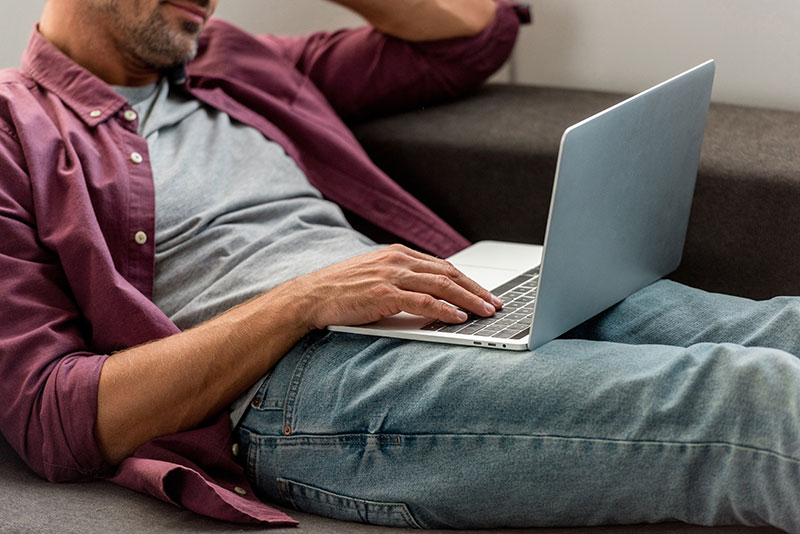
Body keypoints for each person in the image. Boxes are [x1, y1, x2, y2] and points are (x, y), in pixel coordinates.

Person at [1, 0, 799, 531]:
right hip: (299, 387)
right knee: (748, 397)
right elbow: (49, 416)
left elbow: (470, 37)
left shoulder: (231, 62)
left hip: (444, 296)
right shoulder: (17, 129)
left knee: (779, 328)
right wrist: (299, 301)